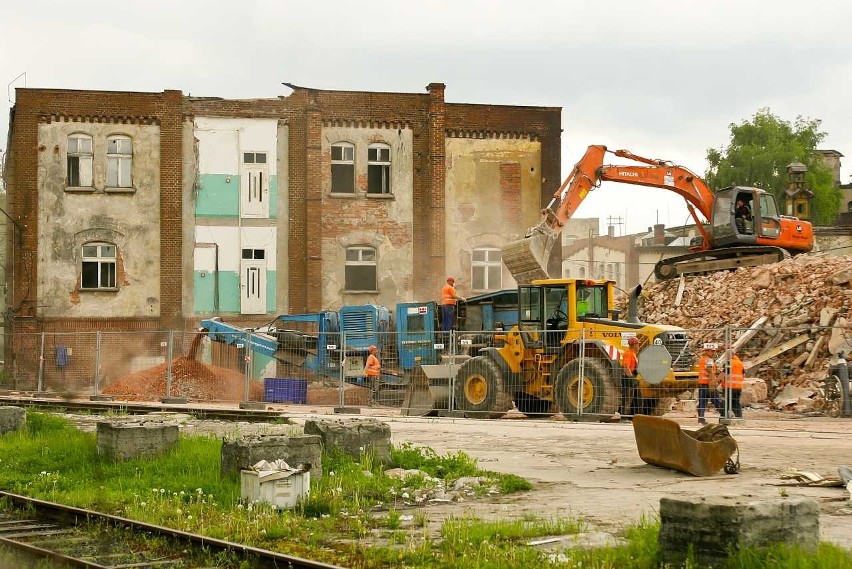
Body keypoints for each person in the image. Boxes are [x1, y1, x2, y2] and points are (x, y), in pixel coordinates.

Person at [697, 346, 724, 424]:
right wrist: (713, 382)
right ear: (707, 351)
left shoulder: (702, 360)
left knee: (702, 401)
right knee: (717, 400)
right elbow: (709, 370)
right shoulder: (709, 360)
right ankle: (724, 415)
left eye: (714, 351)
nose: (714, 353)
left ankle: (701, 419)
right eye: (712, 351)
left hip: (702, 383)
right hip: (708, 384)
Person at [619, 336, 640, 419]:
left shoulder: (634, 354)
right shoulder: (628, 354)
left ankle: (628, 415)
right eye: (638, 344)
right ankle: (623, 416)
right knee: (626, 397)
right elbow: (626, 367)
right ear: (634, 345)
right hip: (627, 378)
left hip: (631, 377)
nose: (638, 346)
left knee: (630, 397)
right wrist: (631, 378)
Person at [722, 344, 744, 418]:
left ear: (729, 355)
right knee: (736, 403)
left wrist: (716, 381)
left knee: (726, 403)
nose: (725, 357)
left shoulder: (729, 363)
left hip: (729, 387)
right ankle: (739, 418)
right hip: (738, 387)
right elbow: (743, 374)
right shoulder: (740, 363)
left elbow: (725, 374)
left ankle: (724, 418)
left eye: (726, 355)